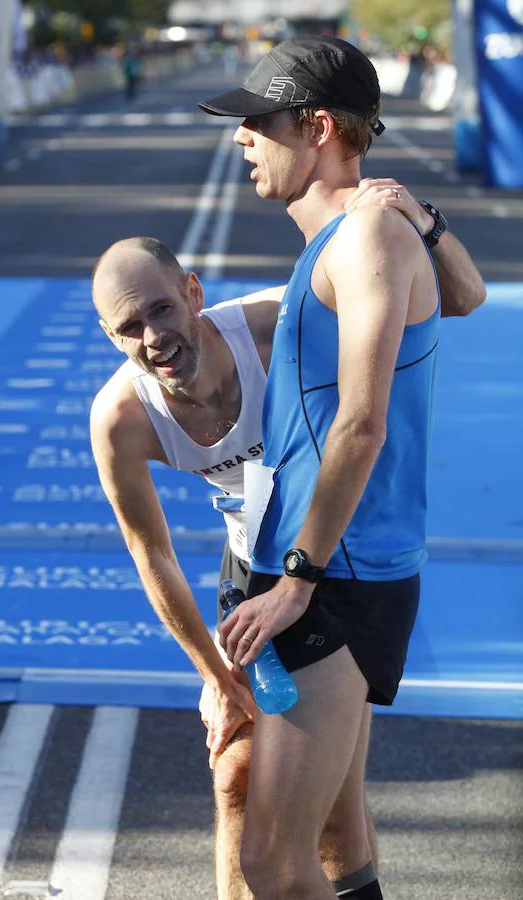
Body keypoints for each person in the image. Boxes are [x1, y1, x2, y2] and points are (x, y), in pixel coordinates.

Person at [89, 189, 485, 897]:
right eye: (129, 327)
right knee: (237, 779)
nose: (153, 337)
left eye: (161, 310)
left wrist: (427, 223)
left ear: (193, 291)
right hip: (253, 571)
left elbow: (461, 298)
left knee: (331, 823)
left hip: (333, 559)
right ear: (109, 337)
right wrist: (214, 675)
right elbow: (154, 558)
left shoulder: (278, 325)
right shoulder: (121, 418)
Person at [197, 37, 481, 898]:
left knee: (272, 866)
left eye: (258, 121)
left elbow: (360, 427)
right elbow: (466, 296)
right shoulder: (361, 233)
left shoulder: (365, 241)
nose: (242, 137)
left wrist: (294, 577)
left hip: (337, 572)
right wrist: (427, 220)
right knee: (332, 835)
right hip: (332, 561)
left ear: (318, 126)